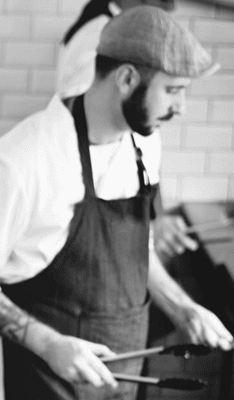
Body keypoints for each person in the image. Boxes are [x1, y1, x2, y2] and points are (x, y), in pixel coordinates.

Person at [0, 7, 233, 400]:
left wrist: (183, 307)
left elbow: (135, 251)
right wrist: (50, 345)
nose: (181, 107)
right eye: (173, 90)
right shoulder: (23, 160)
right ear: (127, 78)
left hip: (117, 381)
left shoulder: (143, 142)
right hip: (37, 382)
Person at [59, 0, 196, 260]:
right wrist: (152, 222)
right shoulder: (98, 35)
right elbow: (96, 133)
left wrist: (155, 217)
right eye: (172, 90)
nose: (171, 6)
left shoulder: (114, 29)